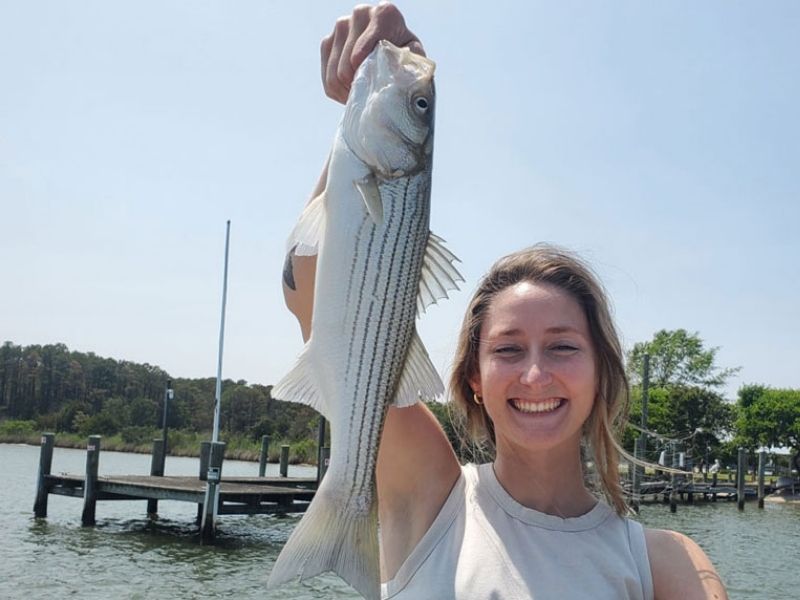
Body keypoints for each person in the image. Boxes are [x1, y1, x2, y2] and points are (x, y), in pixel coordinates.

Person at [283, 4, 728, 599]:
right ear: (472, 378)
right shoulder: (431, 493)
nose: (536, 373)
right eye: (509, 348)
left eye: (565, 346)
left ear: (603, 374)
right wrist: (370, 96)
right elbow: (307, 291)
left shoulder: (666, 561)